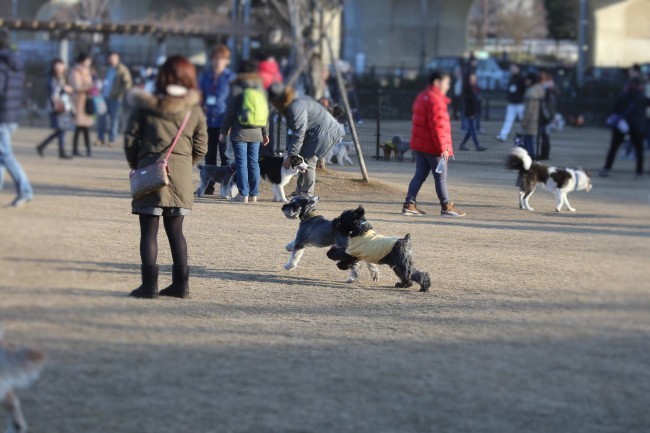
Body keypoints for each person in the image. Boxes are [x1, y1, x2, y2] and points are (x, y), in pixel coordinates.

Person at [124, 55, 208, 299]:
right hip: (180, 176)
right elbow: (201, 146)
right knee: (176, 232)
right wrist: (183, 165)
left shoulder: (146, 106)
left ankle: (148, 286)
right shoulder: (194, 109)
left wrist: (138, 164)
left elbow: (131, 140)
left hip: (150, 172)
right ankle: (181, 286)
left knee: (148, 232)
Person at [402, 70, 466, 217]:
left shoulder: (422, 96)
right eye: (446, 82)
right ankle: (446, 206)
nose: (448, 86)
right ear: (437, 82)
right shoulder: (435, 100)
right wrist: (444, 147)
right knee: (440, 177)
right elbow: (438, 126)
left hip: (421, 144)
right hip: (433, 146)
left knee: (419, 175)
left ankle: (409, 204)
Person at [267, 82, 344, 197]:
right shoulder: (293, 102)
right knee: (303, 159)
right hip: (315, 130)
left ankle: (307, 195)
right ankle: (299, 193)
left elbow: (299, 132)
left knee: (309, 162)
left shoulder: (295, 106)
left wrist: (291, 156)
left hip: (324, 132)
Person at [219, 60, 269, 203]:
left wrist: (223, 131)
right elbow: (266, 113)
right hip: (257, 131)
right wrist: (265, 133)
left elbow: (230, 111)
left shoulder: (236, 87)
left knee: (242, 163)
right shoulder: (261, 88)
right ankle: (254, 194)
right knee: (254, 163)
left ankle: (243, 195)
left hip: (240, 131)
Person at [0, 29, 33, 208]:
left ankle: (25, 190)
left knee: (5, 154)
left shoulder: (1, 63)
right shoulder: (14, 61)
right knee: (1, 155)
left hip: (2, 115)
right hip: (11, 115)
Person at [199, 44, 235, 183]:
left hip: (224, 121)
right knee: (209, 155)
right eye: (215, 58)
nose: (217, 61)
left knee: (225, 155)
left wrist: (231, 122)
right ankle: (208, 185)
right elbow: (200, 96)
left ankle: (227, 187)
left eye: (221, 59)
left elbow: (235, 101)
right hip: (208, 121)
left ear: (226, 61)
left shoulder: (231, 78)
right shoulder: (205, 77)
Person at [599, 77, 648, 179]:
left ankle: (607, 168)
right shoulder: (642, 98)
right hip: (637, 127)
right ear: (640, 86)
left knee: (614, 148)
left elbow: (613, 110)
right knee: (639, 150)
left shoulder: (622, 96)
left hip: (621, 125)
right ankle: (639, 172)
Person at [36, 59, 73, 159]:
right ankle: (61, 151)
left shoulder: (65, 76)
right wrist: (63, 88)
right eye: (57, 65)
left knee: (61, 130)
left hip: (65, 106)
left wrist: (68, 89)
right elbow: (53, 91)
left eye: (61, 65)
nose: (59, 67)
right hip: (56, 106)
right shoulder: (51, 78)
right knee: (61, 130)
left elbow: (68, 89)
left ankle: (42, 146)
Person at [96, 52, 132, 147]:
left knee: (114, 119)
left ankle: (112, 139)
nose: (112, 60)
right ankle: (100, 138)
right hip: (103, 97)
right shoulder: (105, 69)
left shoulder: (122, 70)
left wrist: (120, 93)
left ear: (118, 59)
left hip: (115, 99)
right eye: (111, 58)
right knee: (101, 119)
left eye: (114, 58)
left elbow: (127, 84)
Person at [68, 53, 94, 157]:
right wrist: (89, 86)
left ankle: (88, 150)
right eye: (88, 60)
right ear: (83, 61)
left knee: (85, 128)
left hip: (86, 101)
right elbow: (77, 87)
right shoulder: (75, 71)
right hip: (78, 101)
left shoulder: (87, 71)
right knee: (79, 127)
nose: (89, 62)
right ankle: (76, 150)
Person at [496, 63, 526, 142]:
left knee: (523, 121)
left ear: (518, 68)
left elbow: (524, 90)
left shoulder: (522, 78)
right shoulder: (511, 78)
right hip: (512, 103)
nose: (512, 70)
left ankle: (525, 136)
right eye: (511, 68)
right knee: (508, 120)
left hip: (520, 104)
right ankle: (503, 136)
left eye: (514, 68)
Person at [459, 73, 487, 152]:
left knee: (470, 130)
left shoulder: (476, 88)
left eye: (475, 78)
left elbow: (477, 100)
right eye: (472, 78)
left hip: (475, 111)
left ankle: (462, 144)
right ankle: (477, 145)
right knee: (473, 129)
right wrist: (470, 113)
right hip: (470, 112)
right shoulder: (467, 89)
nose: (474, 80)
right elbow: (467, 102)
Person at [520, 73, 545, 158]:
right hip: (536, 118)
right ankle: (531, 155)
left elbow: (528, 110)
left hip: (531, 119)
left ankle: (530, 155)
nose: (525, 81)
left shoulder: (530, 92)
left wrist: (524, 121)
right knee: (531, 138)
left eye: (527, 80)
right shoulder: (539, 89)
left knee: (528, 138)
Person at [538, 71, 558, 161]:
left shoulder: (547, 89)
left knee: (544, 134)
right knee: (545, 134)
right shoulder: (550, 88)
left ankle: (544, 155)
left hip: (546, 114)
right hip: (548, 114)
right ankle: (544, 154)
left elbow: (548, 103)